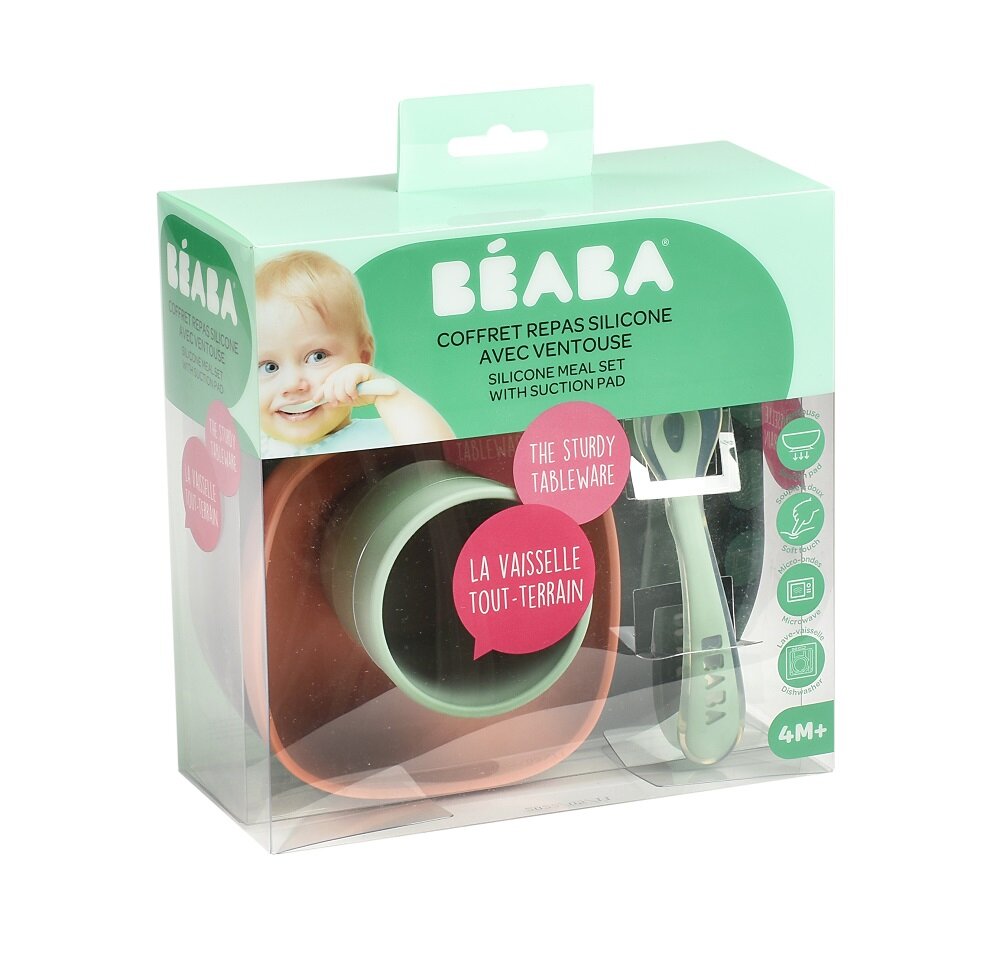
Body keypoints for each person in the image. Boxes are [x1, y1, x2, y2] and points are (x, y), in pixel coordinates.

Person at [256, 251, 454, 456]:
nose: (292, 385)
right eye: (269, 367)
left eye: (317, 356)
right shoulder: (251, 449)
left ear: (363, 357)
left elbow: (441, 458)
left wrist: (389, 396)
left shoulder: (387, 436)